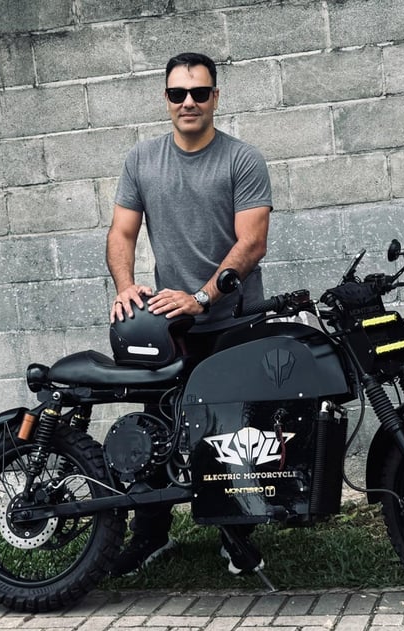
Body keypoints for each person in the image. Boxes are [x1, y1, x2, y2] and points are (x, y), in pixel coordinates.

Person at [106, 52, 273, 577]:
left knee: (233, 432)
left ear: (215, 97)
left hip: (235, 321)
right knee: (156, 427)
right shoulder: (142, 160)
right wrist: (126, 286)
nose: (189, 102)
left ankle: (236, 535)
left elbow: (252, 243)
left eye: (199, 93)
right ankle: (150, 536)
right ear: (166, 99)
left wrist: (201, 297)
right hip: (171, 327)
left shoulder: (242, 160)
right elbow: (121, 232)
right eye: (178, 93)